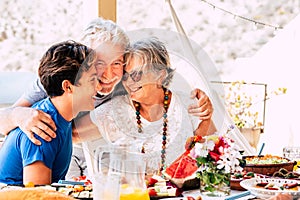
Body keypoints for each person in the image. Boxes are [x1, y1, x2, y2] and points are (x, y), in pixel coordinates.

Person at [0, 18, 213, 178]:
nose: (108, 75)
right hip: (58, 150)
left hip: (93, 154)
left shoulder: (126, 81)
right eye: (99, 64)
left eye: (117, 63)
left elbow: (157, 85)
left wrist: (200, 102)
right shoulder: (58, 79)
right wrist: (20, 115)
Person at [84, 37, 217, 174]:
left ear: (160, 75)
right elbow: (72, 133)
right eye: (125, 76)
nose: (129, 82)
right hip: (133, 193)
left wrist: (206, 119)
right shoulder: (114, 110)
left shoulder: (188, 104)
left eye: (136, 75)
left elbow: (216, 150)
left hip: (185, 192)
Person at [0, 40, 99, 185]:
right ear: (68, 87)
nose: (98, 86)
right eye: (92, 80)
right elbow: (39, 195)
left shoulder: (62, 118)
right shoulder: (43, 129)